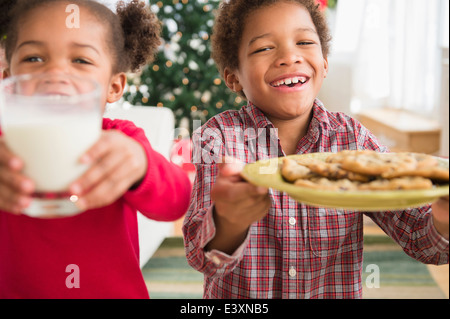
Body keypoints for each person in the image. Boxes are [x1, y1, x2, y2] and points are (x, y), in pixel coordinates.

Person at [183, 0, 449, 299]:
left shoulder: (353, 140)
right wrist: (229, 220)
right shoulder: (218, 139)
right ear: (234, 77)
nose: (289, 56)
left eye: (305, 42)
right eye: (263, 48)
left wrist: (442, 215)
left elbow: (422, 240)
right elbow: (202, 259)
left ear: (324, 63)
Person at [0, 0, 191, 298]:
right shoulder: (3, 148)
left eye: (81, 60)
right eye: (34, 58)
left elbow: (178, 200)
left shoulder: (122, 140)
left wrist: (141, 167)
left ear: (113, 87)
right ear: (8, 78)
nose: (55, 73)